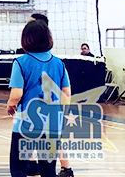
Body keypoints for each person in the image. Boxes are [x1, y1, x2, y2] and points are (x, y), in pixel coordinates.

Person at [7, 20, 71, 177]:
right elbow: (66, 94)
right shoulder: (59, 63)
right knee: (48, 171)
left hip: (26, 125)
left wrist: (10, 104)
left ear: (26, 39)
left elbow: (16, 94)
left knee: (19, 169)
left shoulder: (20, 62)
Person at [27, 14, 75, 177]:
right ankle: (33, 165)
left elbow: (65, 90)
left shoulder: (51, 60)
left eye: (31, 23)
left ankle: (66, 168)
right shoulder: (28, 58)